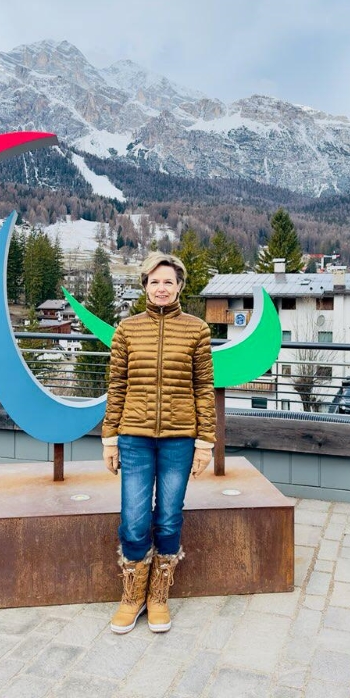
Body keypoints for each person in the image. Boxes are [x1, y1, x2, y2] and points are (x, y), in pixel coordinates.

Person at [100, 252, 216, 634]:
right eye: (154, 282)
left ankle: (158, 596)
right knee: (134, 520)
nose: (161, 288)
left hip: (179, 440)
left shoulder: (197, 330)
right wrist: (109, 439)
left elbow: (204, 388)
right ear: (145, 286)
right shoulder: (127, 330)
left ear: (180, 286)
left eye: (168, 281)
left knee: (168, 518)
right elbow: (117, 386)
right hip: (133, 438)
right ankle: (132, 595)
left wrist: (205, 442)